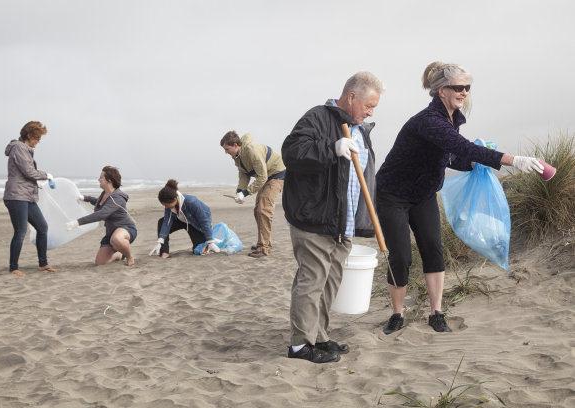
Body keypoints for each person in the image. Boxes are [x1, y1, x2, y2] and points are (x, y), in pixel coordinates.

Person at [376, 61, 544, 335]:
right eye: (458, 87)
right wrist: (512, 160)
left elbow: (452, 156)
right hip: (392, 193)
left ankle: (436, 312)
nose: (464, 92)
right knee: (401, 257)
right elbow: (460, 146)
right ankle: (397, 314)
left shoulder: (452, 119)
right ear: (441, 90)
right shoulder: (429, 121)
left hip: (424, 193)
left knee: (433, 249)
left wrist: (477, 163)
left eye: (467, 87)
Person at [281, 72, 384, 363]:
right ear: (352, 96)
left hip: (342, 222)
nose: (370, 112)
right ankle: (300, 345)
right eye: (369, 105)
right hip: (314, 219)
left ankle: (319, 337)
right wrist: (331, 148)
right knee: (312, 281)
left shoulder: (360, 130)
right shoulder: (317, 117)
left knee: (330, 283)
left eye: (375, 107)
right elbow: (292, 151)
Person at [3, 121, 57, 277]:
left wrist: (36, 183)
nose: (38, 141)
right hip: (16, 196)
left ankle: (43, 264)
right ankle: (13, 267)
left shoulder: (24, 149)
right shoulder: (19, 148)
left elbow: (26, 173)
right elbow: (28, 171)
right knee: (20, 231)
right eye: (37, 138)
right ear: (29, 136)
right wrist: (46, 175)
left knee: (42, 227)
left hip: (26, 195)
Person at [220, 131, 286, 258]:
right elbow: (244, 174)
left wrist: (245, 193)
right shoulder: (237, 156)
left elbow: (262, 177)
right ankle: (264, 243)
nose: (226, 152)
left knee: (264, 210)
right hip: (266, 177)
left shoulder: (252, 151)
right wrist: (239, 191)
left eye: (227, 149)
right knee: (257, 211)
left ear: (235, 145)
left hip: (276, 174)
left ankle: (264, 248)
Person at [66, 166, 137, 266]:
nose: (98, 180)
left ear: (108, 180)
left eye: (101, 177)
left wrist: (77, 222)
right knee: (100, 262)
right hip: (111, 232)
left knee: (116, 239)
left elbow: (101, 214)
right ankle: (120, 254)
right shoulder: (105, 194)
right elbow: (99, 203)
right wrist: (85, 198)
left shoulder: (117, 198)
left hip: (126, 229)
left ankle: (129, 257)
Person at [148, 179, 219, 257]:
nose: (166, 207)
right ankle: (164, 253)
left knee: (198, 250)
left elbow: (205, 221)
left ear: (175, 199)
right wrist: (160, 241)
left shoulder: (192, 202)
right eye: (164, 205)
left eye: (166, 205)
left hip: (194, 224)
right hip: (180, 220)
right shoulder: (169, 206)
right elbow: (167, 222)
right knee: (161, 222)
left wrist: (210, 241)